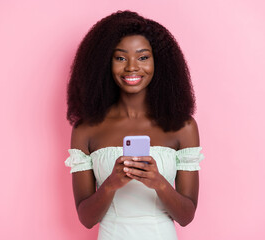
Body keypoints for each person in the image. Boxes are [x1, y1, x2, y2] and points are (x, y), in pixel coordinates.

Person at [65, 10, 204, 240]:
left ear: (158, 62)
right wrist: (111, 184)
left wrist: (158, 182)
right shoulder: (86, 130)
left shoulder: (183, 127)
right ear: (104, 63)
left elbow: (186, 216)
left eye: (142, 57)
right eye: (120, 58)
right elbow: (87, 219)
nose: (131, 67)